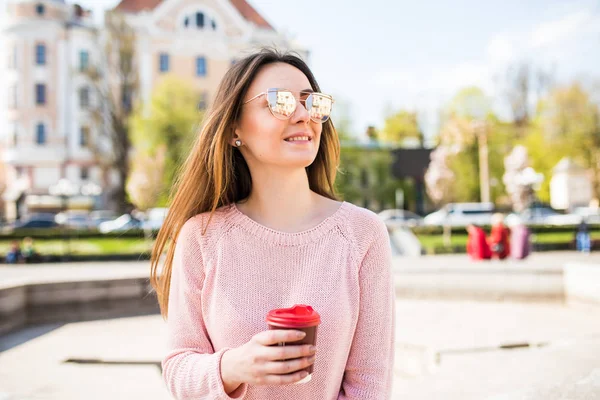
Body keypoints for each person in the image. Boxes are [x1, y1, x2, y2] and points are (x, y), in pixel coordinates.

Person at [150, 49, 395, 399]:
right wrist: (235, 366)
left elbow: (370, 385)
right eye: (280, 102)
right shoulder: (202, 237)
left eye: (311, 102)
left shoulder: (362, 234)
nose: (302, 116)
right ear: (235, 128)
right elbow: (178, 369)